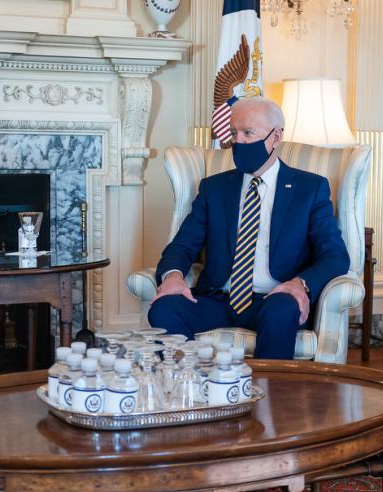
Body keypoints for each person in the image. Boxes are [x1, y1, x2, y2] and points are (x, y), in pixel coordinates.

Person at [148, 97, 350, 359]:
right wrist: (173, 276)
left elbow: (335, 255)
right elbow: (182, 246)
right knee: (164, 309)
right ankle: (191, 391)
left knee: (281, 311)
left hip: (274, 298)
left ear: (275, 137)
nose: (238, 141)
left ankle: (270, 396)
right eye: (233, 133)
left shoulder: (309, 189)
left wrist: (300, 284)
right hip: (218, 299)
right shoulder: (214, 188)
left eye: (247, 133)